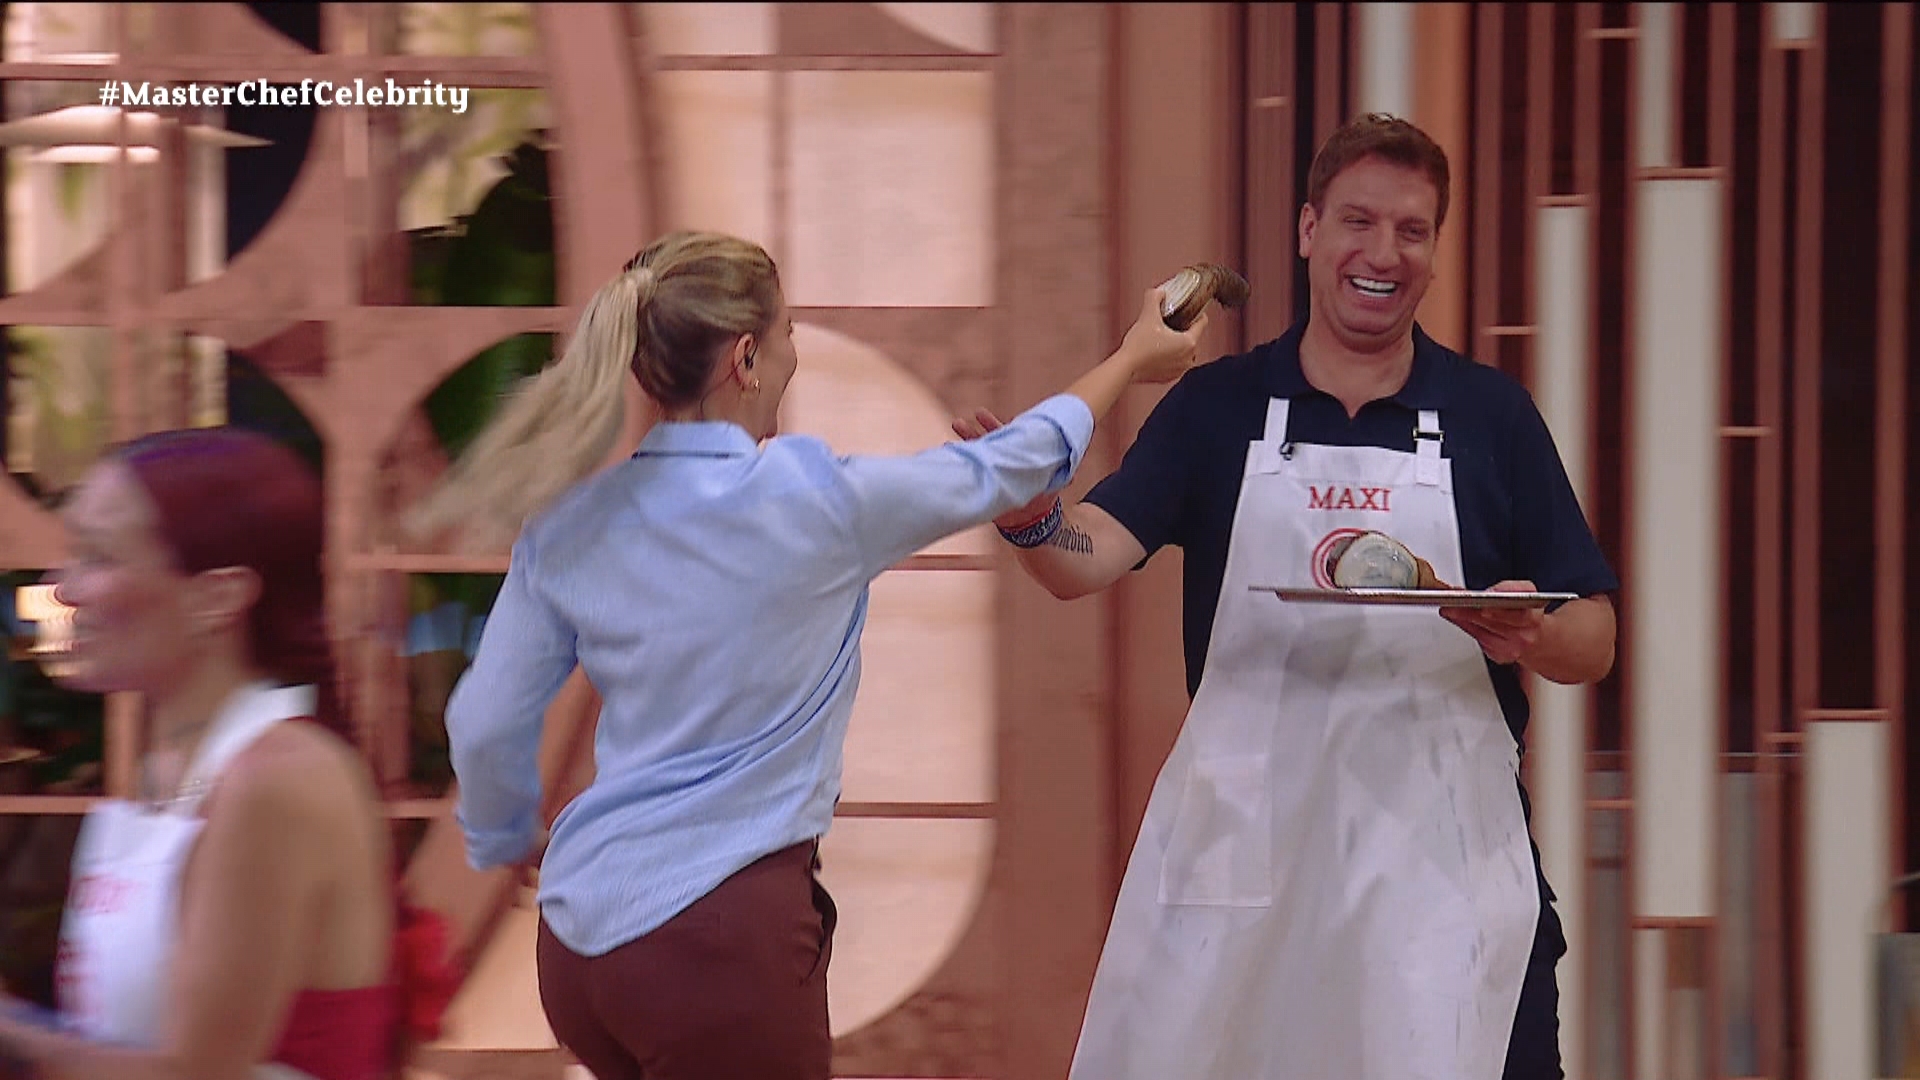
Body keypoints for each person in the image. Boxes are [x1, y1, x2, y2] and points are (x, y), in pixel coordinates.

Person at [403, 230, 1215, 1080]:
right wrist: (1131, 360)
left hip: (578, 950)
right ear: (745, 358)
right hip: (718, 938)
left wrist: (503, 833)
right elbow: (1013, 465)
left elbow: (485, 720)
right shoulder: (810, 499)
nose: (794, 357)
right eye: (787, 334)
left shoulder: (571, 522)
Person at [956, 113, 1618, 1079]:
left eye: (1412, 230)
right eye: (1358, 221)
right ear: (1309, 229)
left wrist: (1532, 632)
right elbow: (1082, 558)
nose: (1382, 253)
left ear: (1435, 248)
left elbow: (1594, 635)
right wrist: (1029, 519)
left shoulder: (1491, 416)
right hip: (1246, 860)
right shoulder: (1218, 406)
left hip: (1443, 870)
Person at [0, 428, 428, 1080]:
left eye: (97, 557)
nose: (64, 589)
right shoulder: (174, 770)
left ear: (218, 597)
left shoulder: (274, 781)